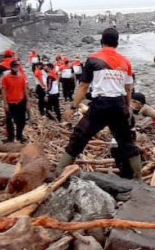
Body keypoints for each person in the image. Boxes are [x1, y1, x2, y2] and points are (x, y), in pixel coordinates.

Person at [57, 28, 142, 180]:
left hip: (100, 106)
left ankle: (59, 170)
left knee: (80, 136)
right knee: (127, 142)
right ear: (117, 43)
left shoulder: (93, 59)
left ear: (101, 42)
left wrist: (73, 107)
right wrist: (127, 107)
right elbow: (128, 88)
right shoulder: (125, 61)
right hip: (118, 104)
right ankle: (139, 177)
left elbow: (83, 86)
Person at [1, 59, 29, 143]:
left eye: (17, 67)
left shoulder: (21, 77)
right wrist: (5, 103)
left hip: (20, 102)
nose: (16, 68)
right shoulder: (6, 78)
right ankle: (10, 138)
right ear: (11, 68)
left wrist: (27, 101)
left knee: (21, 121)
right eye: (14, 67)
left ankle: (19, 136)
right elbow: (3, 91)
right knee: (9, 121)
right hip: (10, 103)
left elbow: (25, 89)